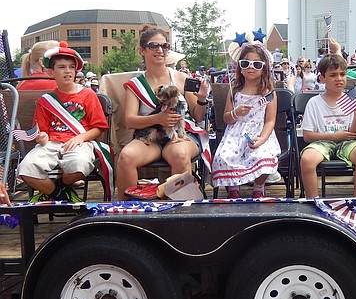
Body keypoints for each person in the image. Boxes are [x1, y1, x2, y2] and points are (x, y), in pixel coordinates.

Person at [116, 26, 211, 200]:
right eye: (154, 46)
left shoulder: (181, 78)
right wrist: (158, 118)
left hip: (181, 134)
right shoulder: (135, 85)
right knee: (126, 157)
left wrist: (202, 99)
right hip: (150, 137)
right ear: (142, 50)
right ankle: (129, 212)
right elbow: (130, 121)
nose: (160, 50)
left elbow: (197, 116)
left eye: (164, 46)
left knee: (180, 154)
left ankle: (179, 213)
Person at [17, 42, 108, 203]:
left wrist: (80, 138)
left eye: (72, 67)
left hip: (79, 141)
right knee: (25, 169)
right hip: (52, 143)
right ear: (51, 72)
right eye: (62, 67)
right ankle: (60, 192)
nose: (68, 71)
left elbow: (99, 127)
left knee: (80, 166)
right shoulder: (45, 101)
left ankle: (58, 186)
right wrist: (41, 137)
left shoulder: (88, 95)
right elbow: (41, 131)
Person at [211, 43, 280, 198]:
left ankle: (259, 186)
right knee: (224, 156)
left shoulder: (268, 92)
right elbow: (226, 118)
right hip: (236, 134)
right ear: (240, 67)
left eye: (256, 64)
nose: (251, 67)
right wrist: (236, 113)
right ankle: (233, 187)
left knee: (264, 156)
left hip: (260, 133)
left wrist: (262, 139)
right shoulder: (234, 90)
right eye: (245, 63)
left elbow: (270, 121)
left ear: (264, 68)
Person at [300, 54, 356, 198]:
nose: (339, 79)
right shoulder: (314, 102)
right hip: (322, 142)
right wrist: (333, 136)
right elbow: (307, 136)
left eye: (342, 74)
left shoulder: (352, 100)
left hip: (347, 142)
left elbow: (355, 134)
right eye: (333, 75)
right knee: (306, 159)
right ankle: (313, 202)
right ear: (322, 79)